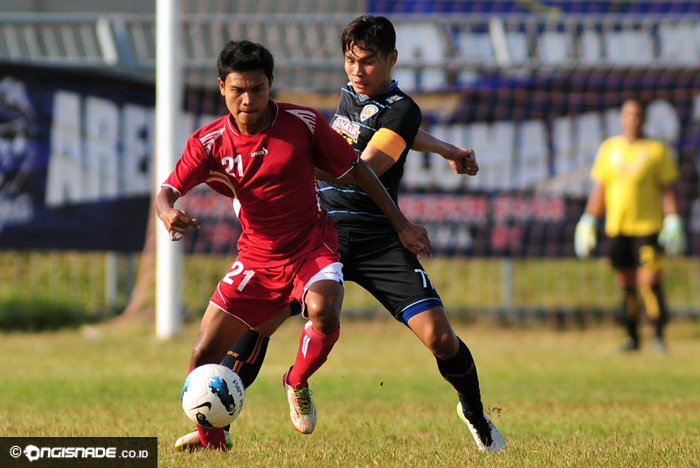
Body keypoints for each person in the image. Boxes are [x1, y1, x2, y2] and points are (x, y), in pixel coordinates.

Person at [157, 39, 431, 451]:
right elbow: (167, 190)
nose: (249, 100)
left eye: (258, 89)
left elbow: (359, 172)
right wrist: (166, 212)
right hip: (256, 257)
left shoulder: (302, 123)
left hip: (312, 246)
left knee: (323, 311)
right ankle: (213, 440)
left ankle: (297, 378)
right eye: (238, 90)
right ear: (222, 88)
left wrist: (402, 224)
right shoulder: (209, 142)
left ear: (271, 85)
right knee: (202, 357)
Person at [283, 15, 506, 452]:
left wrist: (286, 163)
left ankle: (474, 413)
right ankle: (234, 414)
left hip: (379, 237)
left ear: (392, 60)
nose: (356, 71)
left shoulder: (404, 107)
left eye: (366, 62)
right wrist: (447, 149)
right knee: (262, 318)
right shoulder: (355, 93)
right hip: (323, 229)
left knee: (441, 338)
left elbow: (361, 168)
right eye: (350, 61)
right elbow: (396, 133)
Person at [574, 97, 685, 353]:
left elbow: (667, 189)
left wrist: (673, 218)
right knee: (626, 285)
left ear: (644, 119)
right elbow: (601, 188)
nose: (632, 119)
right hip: (618, 229)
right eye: (627, 114)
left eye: (636, 115)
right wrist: (589, 219)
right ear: (622, 118)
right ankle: (632, 337)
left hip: (647, 228)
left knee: (650, 282)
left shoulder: (657, 150)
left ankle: (658, 336)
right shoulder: (610, 149)